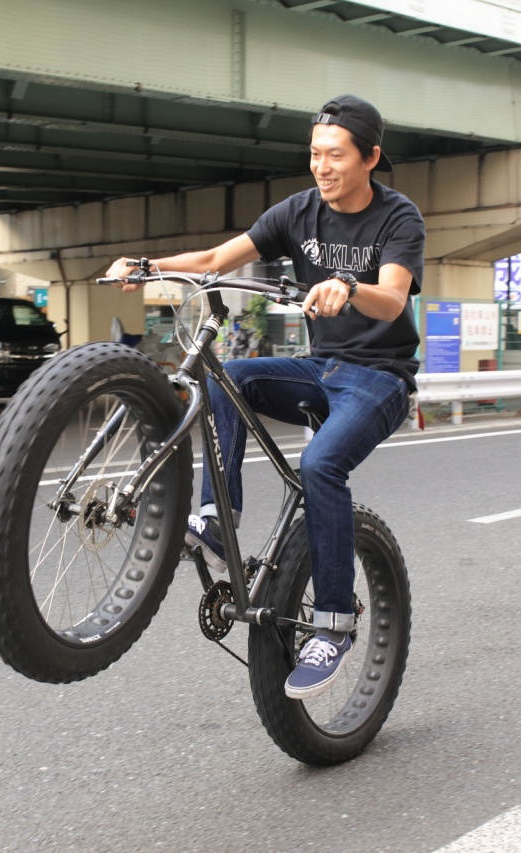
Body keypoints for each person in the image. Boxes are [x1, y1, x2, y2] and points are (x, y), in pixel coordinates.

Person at [104, 95, 424, 701]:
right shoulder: (297, 212)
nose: (322, 167)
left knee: (321, 465)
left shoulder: (398, 218)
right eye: (314, 154)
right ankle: (218, 527)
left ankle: (333, 624)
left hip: (380, 378)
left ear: (370, 157)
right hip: (319, 366)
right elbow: (213, 259)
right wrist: (149, 265)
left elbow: (392, 299)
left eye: (335, 155)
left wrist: (346, 286)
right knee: (233, 374)